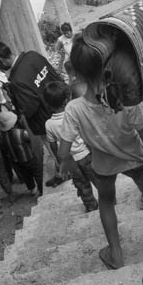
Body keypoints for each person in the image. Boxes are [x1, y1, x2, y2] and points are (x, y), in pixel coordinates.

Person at [58, 33, 143, 270]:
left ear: (76, 72)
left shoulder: (74, 109)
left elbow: (63, 150)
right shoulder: (127, 98)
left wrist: (65, 162)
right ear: (107, 64)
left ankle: (115, 252)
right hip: (136, 158)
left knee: (106, 201)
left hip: (103, 165)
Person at [0, 41, 63, 189]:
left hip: (44, 121)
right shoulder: (33, 56)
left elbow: (29, 107)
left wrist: (19, 110)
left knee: (55, 149)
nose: (0, 69)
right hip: (61, 106)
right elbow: (54, 74)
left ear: (0, 60)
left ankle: (62, 173)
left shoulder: (17, 80)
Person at [43, 81, 99, 212]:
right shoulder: (74, 114)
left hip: (70, 162)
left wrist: (60, 162)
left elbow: (53, 145)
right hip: (85, 155)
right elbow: (86, 134)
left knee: (82, 185)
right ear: (66, 101)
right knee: (98, 179)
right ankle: (109, 199)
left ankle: (91, 205)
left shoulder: (49, 124)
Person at [0, 111, 44, 196]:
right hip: (29, 158)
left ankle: (32, 189)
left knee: (26, 176)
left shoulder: (2, 135)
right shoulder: (21, 133)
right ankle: (41, 190)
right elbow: (31, 140)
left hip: (17, 160)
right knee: (38, 173)